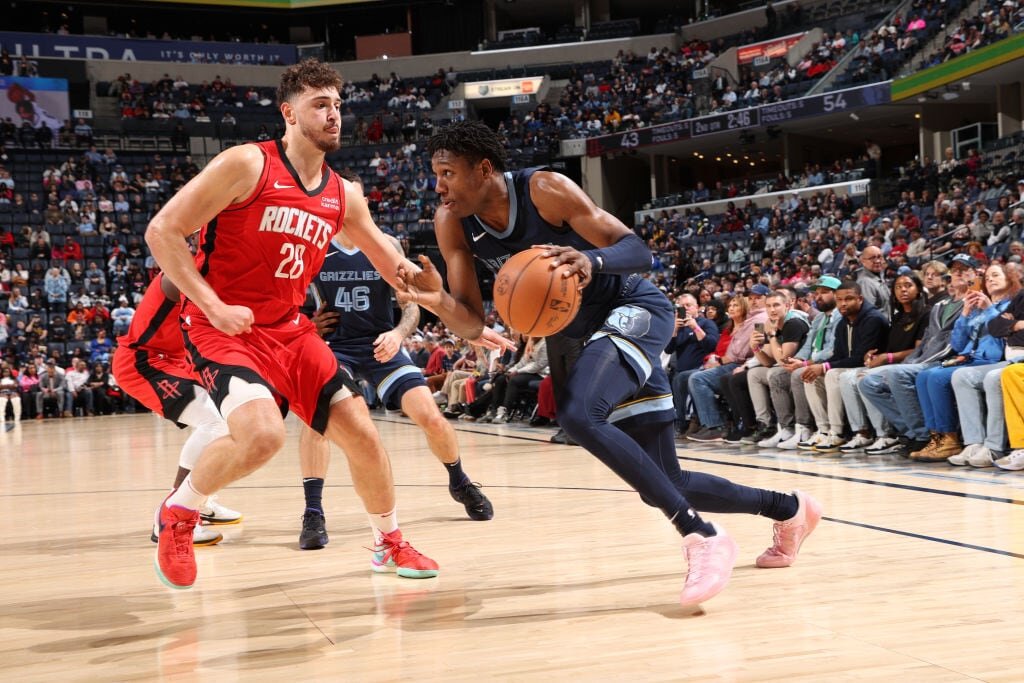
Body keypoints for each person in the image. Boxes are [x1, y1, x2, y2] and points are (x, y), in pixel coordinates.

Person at [397, 121, 822, 610]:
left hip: (635, 310)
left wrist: (591, 261)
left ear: (484, 168)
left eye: (448, 173)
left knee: (579, 416)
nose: (439, 186)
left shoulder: (543, 189)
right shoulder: (452, 223)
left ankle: (701, 535)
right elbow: (471, 321)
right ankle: (790, 509)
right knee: (666, 483)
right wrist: (438, 302)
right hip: (587, 336)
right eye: (436, 174)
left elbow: (639, 251)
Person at [145, 58, 438, 589]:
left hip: (290, 330)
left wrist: (452, 306)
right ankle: (180, 513)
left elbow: (393, 266)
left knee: (364, 437)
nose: (334, 116)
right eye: (320, 105)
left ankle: (389, 542)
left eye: (338, 106)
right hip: (224, 327)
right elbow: (163, 231)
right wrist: (211, 306)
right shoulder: (246, 165)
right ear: (289, 112)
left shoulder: (343, 193)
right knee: (261, 437)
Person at [295, 172, 494, 552]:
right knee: (315, 422)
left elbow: (412, 307)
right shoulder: (315, 249)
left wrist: (399, 335)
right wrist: (308, 324)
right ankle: (313, 512)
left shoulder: (385, 244)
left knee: (432, 417)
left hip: (383, 345)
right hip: (337, 348)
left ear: (363, 204)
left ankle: (460, 480)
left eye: (355, 198)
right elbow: (287, 303)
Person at [111, 273, 242, 546]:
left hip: (176, 361)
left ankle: (201, 501)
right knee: (215, 423)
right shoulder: (179, 272)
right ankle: (173, 514)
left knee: (230, 420)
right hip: (144, 361)